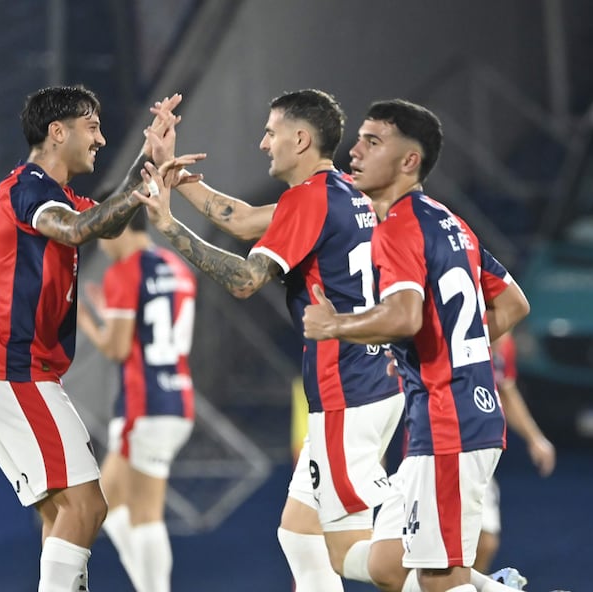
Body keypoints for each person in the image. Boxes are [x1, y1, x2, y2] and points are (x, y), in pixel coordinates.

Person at [138, 89, 409, 592]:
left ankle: (481, 587)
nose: (263, 143)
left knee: (359, 555)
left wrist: (169, 227)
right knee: (300, 536)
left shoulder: (310, 199)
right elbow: (242, 220)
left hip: (347, 392)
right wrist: (175, 175)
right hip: (373, 382)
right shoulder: (344, 192)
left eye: (271, 132)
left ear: (300, 139)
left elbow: (245, 280)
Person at [0, 85, 203, 592]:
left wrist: (150, 161)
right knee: (87, 505)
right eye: (92, 127)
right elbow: (75, 230)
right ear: (57, 131)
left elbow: (106, 223)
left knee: (62, 511)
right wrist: (145, 180)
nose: (100, 139)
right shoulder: (30, 190)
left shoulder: (49, 192)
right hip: (14, 371)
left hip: (7, 371)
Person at [302, 98, 531, 592]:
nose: (354, 152)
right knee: (386, 565)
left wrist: (335, 325)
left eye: (372, 142)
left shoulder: (397, 227)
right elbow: (513, 304)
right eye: (358, 139)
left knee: (439, 582)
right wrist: (441, 348)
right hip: (453, 418)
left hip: (450, 423)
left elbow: (404, 316)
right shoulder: (450, 222)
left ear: (410, 161)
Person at [76, 207, 196, 592]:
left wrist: (86, 322)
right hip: (177, 397)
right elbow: (149, 325)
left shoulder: (124, 271)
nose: (100, 244)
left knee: (138, 512)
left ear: (119, 228)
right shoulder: (177, 268)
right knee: (114, 506)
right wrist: (111, 314)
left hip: (145, 405)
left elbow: (116, 348)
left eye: (101, 232)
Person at [474, 332, 556, 574]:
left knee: (485, 542)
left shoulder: (504, 345)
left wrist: (535, 438)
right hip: (439, 455)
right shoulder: (451, 342)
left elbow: (506, 390)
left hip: (480, 460)